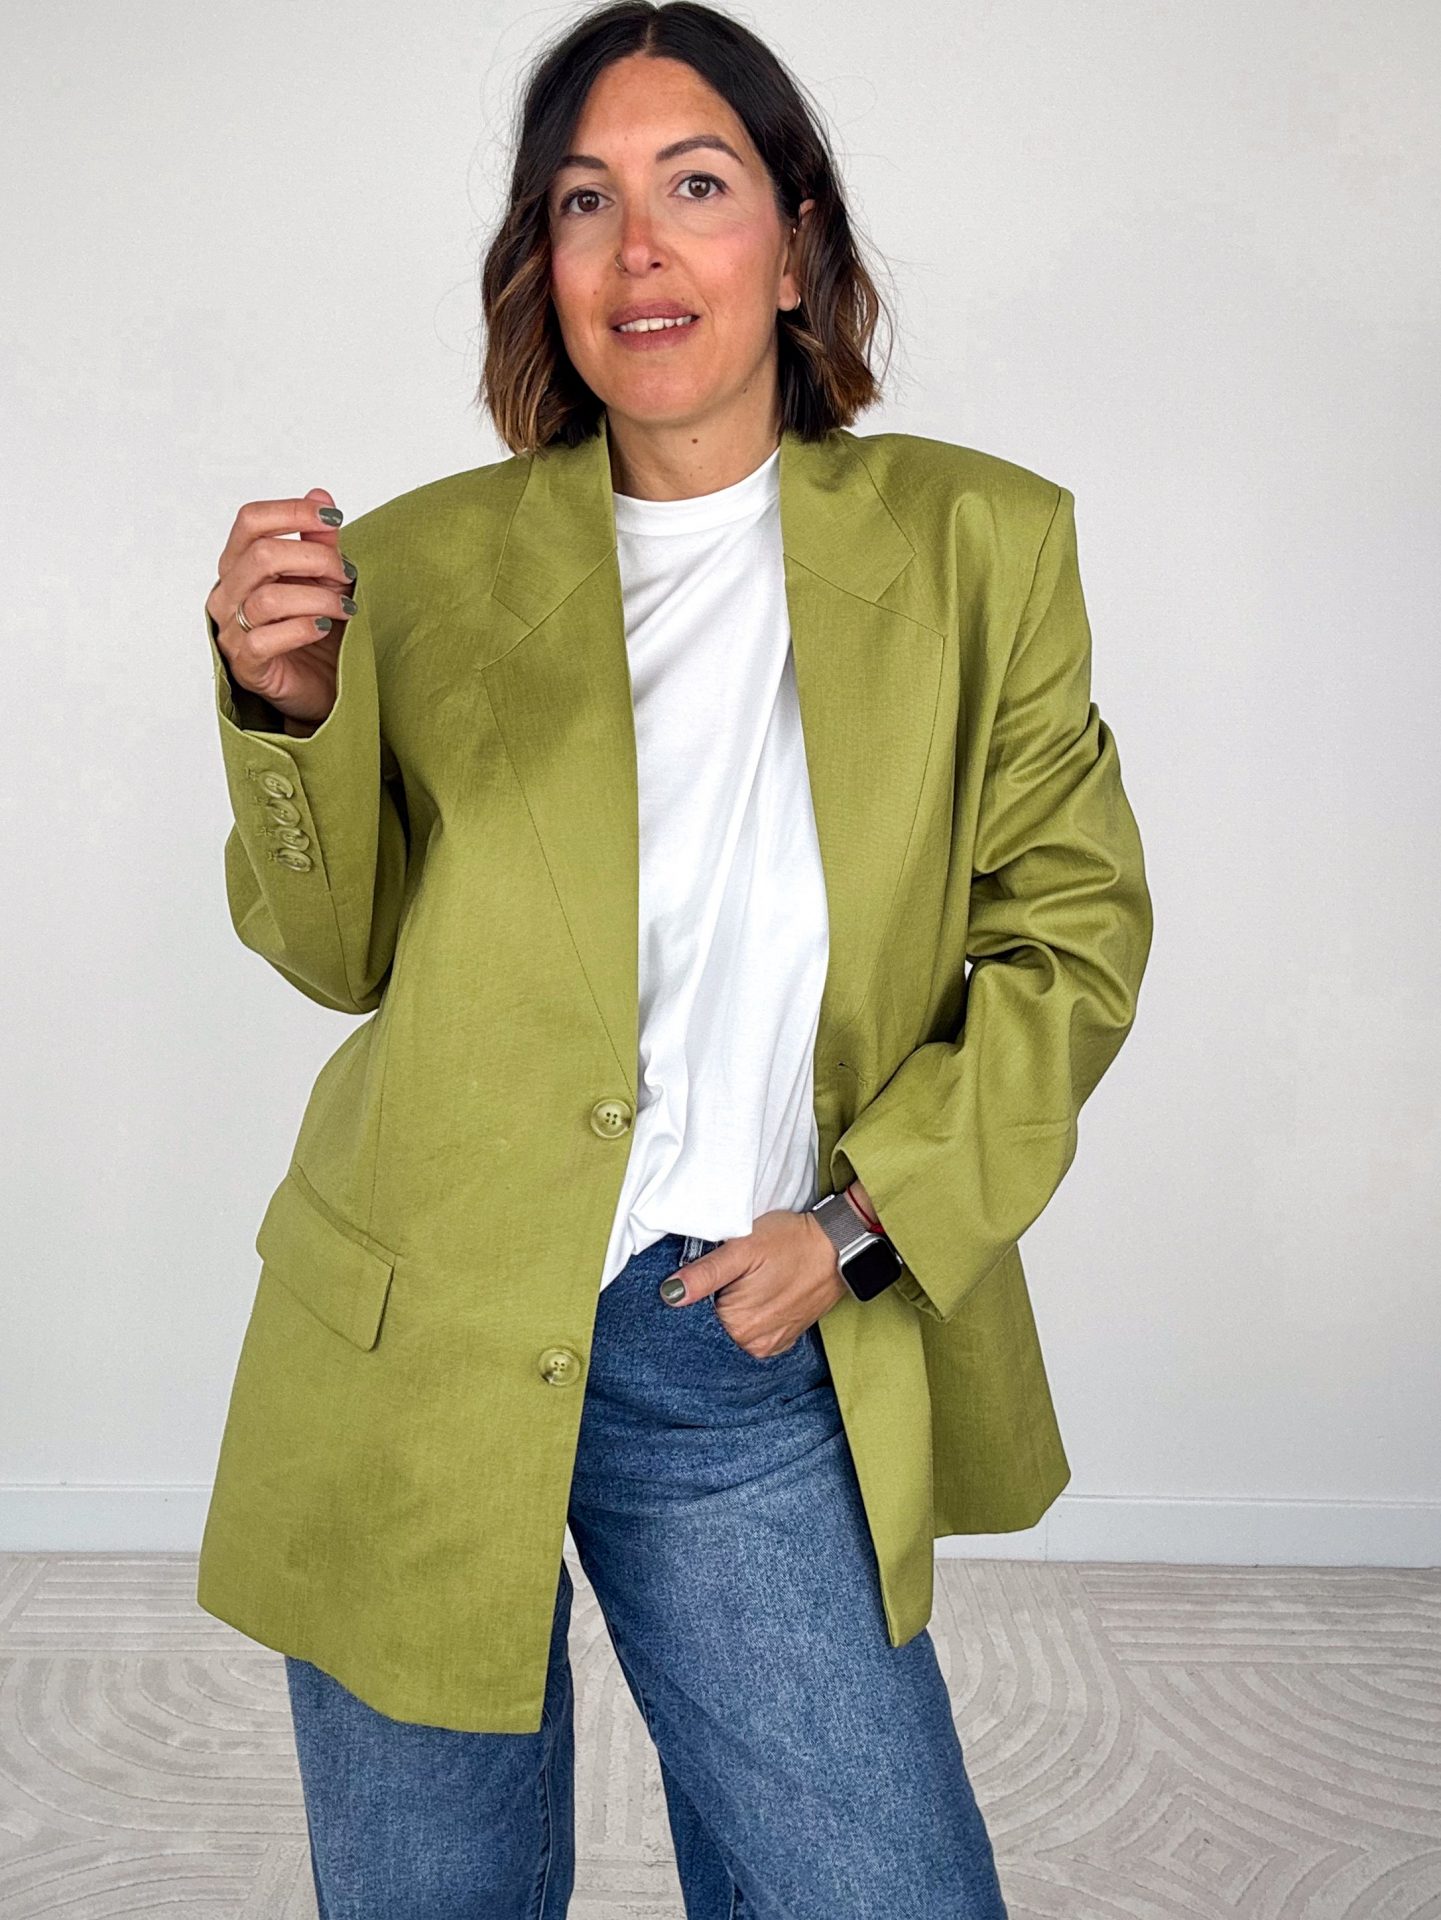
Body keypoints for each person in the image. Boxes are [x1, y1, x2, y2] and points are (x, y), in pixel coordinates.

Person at [198, 3, 1153, 1914]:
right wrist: (283, 709)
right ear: (540, 266)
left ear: (794, 246)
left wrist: (860, 1228)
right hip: (415, 1324)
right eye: (584, 201)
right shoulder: (422, 565)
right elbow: (342, 954)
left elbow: (1069, 939)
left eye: (694, 186)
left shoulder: (980, 546)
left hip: (731, 1332)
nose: (637, 248)